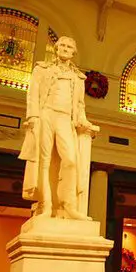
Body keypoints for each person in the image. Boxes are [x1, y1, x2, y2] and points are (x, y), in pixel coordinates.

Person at [18, 36, 98, 220]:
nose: (65, 48)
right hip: (46, 114)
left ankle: (68, 205)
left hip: (65, 118)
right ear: (56, 48)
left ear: (73, 51)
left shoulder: (78, 77)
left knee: (70, 160)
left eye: (69, 46)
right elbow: (33, 94)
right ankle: (46, 207)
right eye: (62, 45)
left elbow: (79, 103)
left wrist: (84, 121)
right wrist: (33, 116)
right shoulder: (42, 69)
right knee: (44, 161)